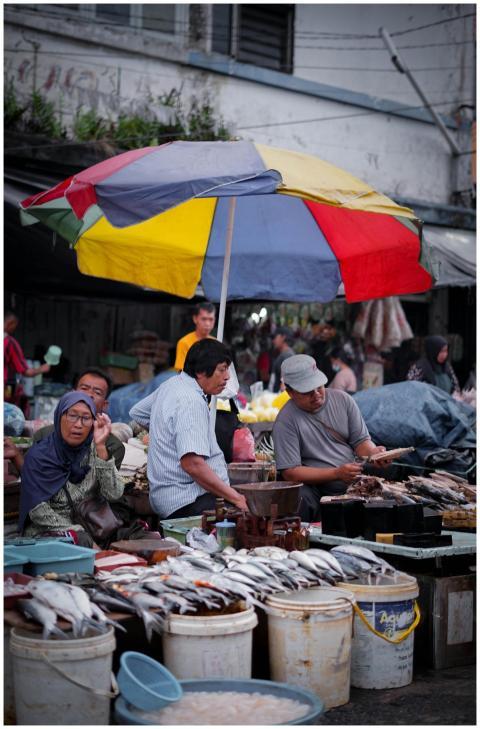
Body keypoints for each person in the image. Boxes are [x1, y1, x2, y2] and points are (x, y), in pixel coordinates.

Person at [130, 339, 248, 519]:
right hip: (186, 501)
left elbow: (139, 412)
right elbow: (192, 464)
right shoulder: (190, 401)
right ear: (201, 372)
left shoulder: (173, 384)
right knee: (247, 518)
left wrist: (167, 435)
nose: (227, 377)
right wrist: (237, 498)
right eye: (222, 369)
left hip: (167, 498)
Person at [272, 354, 391, 522]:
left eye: (319, 387)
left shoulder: (343, 400)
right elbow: (291, 473)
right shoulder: (286, 421)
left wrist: (374, 453)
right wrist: (336, 473)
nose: (316, 394)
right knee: (298, 496)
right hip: (317, 489)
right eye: (307, 391)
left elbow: (361, 442)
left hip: (352, 481)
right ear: (290, 392)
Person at [19, 392, 125, 546]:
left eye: (86, 418)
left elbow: (114, 494)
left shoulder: (94, 450)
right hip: (50, 532)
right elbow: (38, 512)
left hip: (93, 524)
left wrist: (101, 447)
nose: (78, 424)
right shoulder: (39, 456)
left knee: (137, 534)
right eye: (72, 416)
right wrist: (77, 532)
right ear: (59, 417)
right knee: (80, 541)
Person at [33, 367, 125, 469]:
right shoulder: (44, 436)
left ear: (104, 405)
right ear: (71, 394)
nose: (89, 394)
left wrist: (100, 447)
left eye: (97, 392)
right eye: (84, 388)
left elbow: (107, 484)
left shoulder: (114, 447)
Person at [4, 311, 50, 408]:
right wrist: (43, 369)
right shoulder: (9, 343)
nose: (14, 329)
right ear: (10, 323)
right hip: (6, 389)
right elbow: (26, 372)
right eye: (15, 325)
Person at [174, 301, 216, 371]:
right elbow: (181, 372)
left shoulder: (216, 343)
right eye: (204, 319)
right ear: (195, 319)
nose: (207, 323)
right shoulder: (184, 343)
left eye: (211, 319)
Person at [271, 326, 295, 391]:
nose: (273, 341)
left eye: (275, 337)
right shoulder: (284, 354)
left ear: (283, 337)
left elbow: (284, 384)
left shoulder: (287, 355)